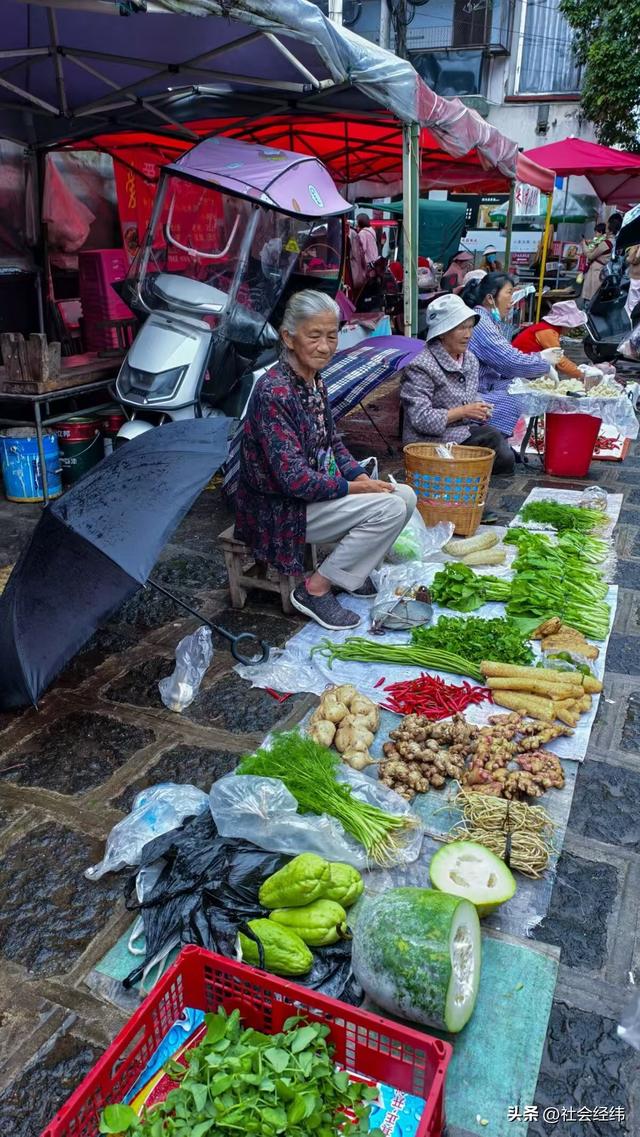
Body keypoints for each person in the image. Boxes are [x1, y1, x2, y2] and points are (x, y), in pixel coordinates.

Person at [234, 290, 417, 631]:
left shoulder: (314, 381)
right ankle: (314, 589)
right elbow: (294, 481)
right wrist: (353, 487)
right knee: (388, 508)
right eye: (313, 336)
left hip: (307, 497)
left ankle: (350, 573)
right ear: (288, 337)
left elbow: (331, 442)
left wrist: (358, 476)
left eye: (331, 336)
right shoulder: (275, 392)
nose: (325, 346)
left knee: (403, 496)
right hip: (276, 509)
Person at [400, 294, 517, 475]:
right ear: (443, 332)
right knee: (495, 445)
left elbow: (468, 397)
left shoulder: (469, 359)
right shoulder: (421, 364)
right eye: (461, 328)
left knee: (502, 447)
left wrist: (479, 409)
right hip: (427, 441)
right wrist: (463, 412)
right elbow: (420, 418)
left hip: (460, 431)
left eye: (470, 327)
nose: (468, 334)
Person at [461, 272, 556, 440]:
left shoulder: (487, 319)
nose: (512, 300)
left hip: (486, 384)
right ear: (491, 298)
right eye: (509, 292)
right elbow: (509, 361)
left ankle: (497, 440)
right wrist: (543, 362)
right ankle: (491, 441)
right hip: (472, 392)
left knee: (521, 385)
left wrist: (538, 360)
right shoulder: (481, 321)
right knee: (517, 397)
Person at [512, 301, 587, 380]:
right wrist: (581, 374)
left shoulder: (547, 328)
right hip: (519, 368)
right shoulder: (548, 332)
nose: (571, 328)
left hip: (524, 364)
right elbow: (559, 361)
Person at [581, 214, 622, 303]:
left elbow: (590, 255)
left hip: (596, 272)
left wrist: (583, 245)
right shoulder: (612, 240)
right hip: (600, 270)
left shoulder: (607, 243)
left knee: (590, 299)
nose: (606, 225)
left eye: (608, 224)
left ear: (610, 227)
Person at [625, 243, 640, 319]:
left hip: (636, 277)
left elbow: (632, 259)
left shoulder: (637, 245)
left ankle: (630, 320)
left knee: (632, 304)